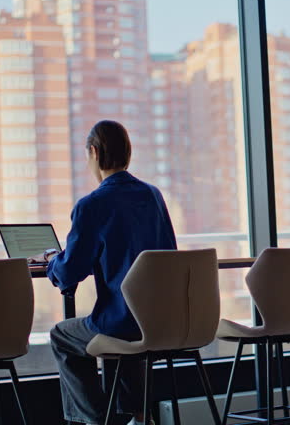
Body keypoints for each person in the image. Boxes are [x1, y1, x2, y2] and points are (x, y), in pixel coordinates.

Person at [33, 120, 177, 425]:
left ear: (94, 152)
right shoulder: (153, 196)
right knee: (124, 332)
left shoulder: (93, 205)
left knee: (62, 336)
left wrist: (51, 261)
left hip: (122, 323)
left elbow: (70, 271)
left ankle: (94, 419)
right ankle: (138, 416)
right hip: (162, 319)